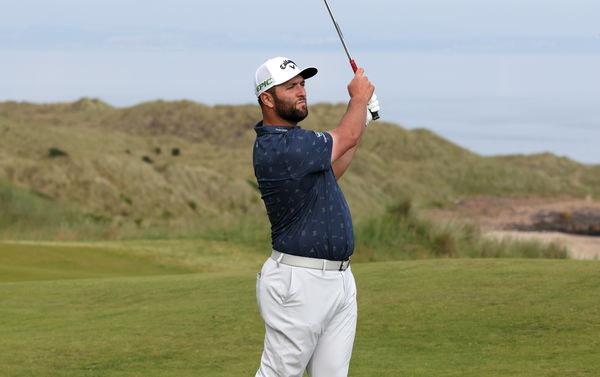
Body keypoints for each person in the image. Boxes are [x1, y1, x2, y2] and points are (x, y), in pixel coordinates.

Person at [252, 56, 380, 377]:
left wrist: (362, 117)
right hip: (299, 282)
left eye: (303, 84)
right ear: (267, 98)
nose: (301, 92)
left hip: (338, 280)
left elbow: (335, 165)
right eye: (290, 86)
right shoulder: (282, 146)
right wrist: (359, 100)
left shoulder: (299, 145)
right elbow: (345, 137)